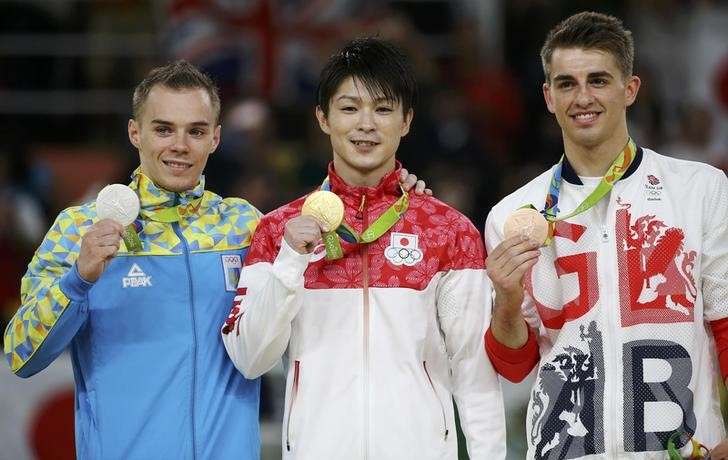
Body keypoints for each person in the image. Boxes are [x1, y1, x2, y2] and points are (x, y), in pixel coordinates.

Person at [3, 60, 428, 459]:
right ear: (136, 133)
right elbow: (21, 354)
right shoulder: (82, 228)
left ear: (216, 138)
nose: (180, 146)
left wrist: (390, 189)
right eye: (164, 129)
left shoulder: (244, 226)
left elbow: (331, 230)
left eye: (196, 131)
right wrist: (78, 280)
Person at [221, 37, 505, 460]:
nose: (366, 124)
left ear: (406, 120)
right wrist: (290, 261)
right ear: (323, 117)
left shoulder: (450, 231)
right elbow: (250, 357)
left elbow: (474, 371)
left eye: (384, 108)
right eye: (350, 108)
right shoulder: (278, 230)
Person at [483, 11, 728, 460]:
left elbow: (726, 323)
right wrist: (505, 299)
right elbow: (514, 365)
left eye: (598, 80)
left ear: (630, 88)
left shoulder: (701, 190)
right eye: (566, 84)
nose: (583, 97)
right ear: (548, 97)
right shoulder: (512, 214)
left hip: (684, 451)